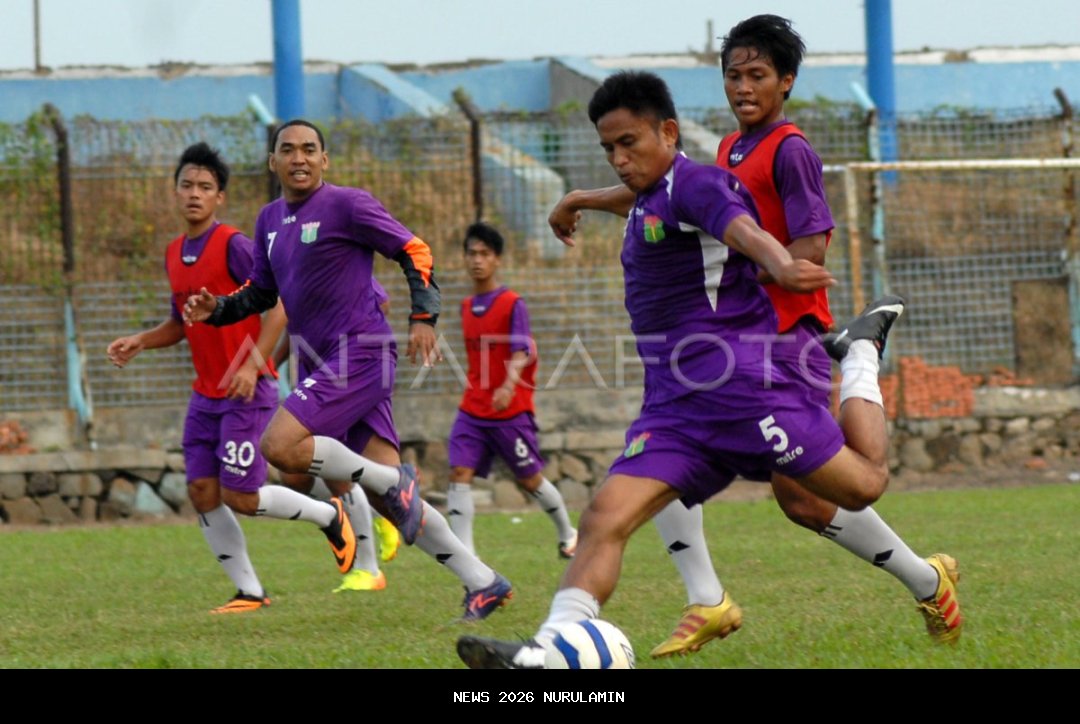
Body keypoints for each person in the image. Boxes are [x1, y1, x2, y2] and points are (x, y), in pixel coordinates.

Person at [457, 70, 961, 669]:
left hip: (749, 393)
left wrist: (783, 262)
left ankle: (858, 354)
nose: (619, 159)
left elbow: (739, 226)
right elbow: (644, 200)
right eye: (608, 148)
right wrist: (579, 199)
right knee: (605, 517)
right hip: (676, 410)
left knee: (863, 485)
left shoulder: (699, 183)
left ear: (668, 132)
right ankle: (543, 655)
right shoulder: (655, 193)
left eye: (629, 143)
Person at [183, 120, 513, 620]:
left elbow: (414, 250)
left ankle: (389, 477)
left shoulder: (348, 204)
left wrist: (423, 316)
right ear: (273, 162)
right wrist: (220, 309)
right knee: (393, 502)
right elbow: (262, 294)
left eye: (310, 150)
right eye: (288, 150)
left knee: (280, 448)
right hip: (326, 362)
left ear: (325, 160)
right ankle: (485, 582)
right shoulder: (270, 219)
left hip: (361, 352)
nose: (300, 158)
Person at [107, 142, 359, 613]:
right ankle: (250, 592)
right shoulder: (174, 252)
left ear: (219, 197)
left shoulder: (235, 245)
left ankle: (329, 514)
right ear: (175, 193)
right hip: (205, 395)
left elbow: (279, 306)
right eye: (187, 185)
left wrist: (251, 363)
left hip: (248, 388)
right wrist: (141, 339)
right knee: (203, 491)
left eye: (205, 187)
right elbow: (183, 323)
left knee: (240, 496)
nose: (194, 194)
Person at [446, 221, 577, 557]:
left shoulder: (511, 303)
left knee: (530, 479)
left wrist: (508, 384)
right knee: (459, 472)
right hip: (473, 407)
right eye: (471, 253)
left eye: (485, 254)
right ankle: (466, 558)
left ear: (498, 260)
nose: (477, 260)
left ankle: (568, 533)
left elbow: (522, 349)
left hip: (509, 410)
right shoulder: (465, 307)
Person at [275, 279, 401, 593]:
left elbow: (381, 303)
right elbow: (291, 321)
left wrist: (348, 345)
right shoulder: (288, 259)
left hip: (345, 372)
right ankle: (378, 510)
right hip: (314, 374)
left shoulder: (333, 255)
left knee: (330, 468)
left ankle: (368, 569)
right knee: (293, 476)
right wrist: (269, 363)